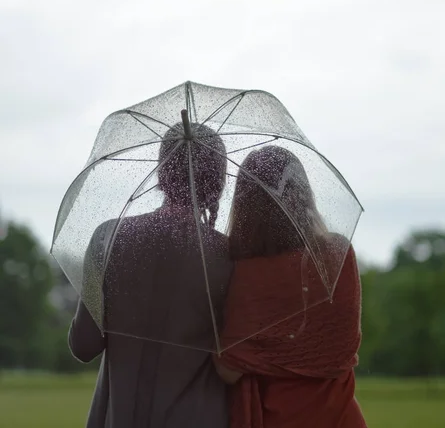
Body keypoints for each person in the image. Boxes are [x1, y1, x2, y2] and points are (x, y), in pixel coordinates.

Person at [69, 122, 233, 428]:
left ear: (161, 173)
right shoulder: (228, 255)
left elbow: (84, 346)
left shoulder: (108, 237)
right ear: (218, 182)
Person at [214, 146, 367, 428]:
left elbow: (227, 370)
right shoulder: (337, 255)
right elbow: (343, 351)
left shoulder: (245, 272)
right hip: (340, 418)